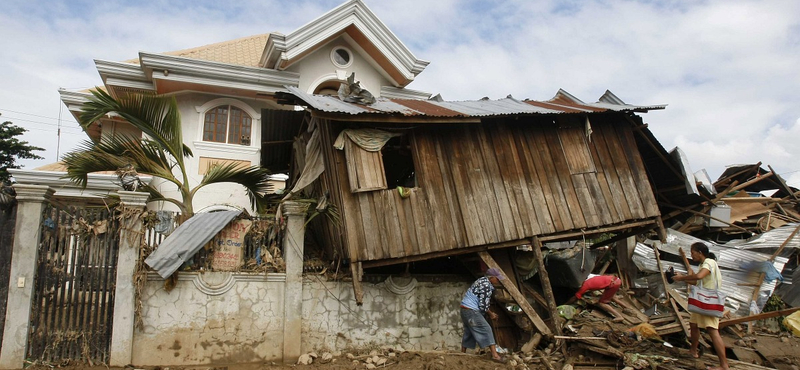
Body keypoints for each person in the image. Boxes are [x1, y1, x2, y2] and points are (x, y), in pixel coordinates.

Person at [673, 242, 729, 370]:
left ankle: (724, 365)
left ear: (700, 252)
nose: (692, 256)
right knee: (693, 324)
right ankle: (693, 351)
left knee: (712, 330)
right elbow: (697, 281)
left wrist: (682, 278)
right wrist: (679, 278)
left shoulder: (709, 262)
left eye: (693, 253)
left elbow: (698, 276)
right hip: (702, 303)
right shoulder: (703, 265)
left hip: (709, 303)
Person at [460, 268, 505, 362]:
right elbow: (483, 305)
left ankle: (462, 353)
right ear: (492, 277)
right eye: (497, 278)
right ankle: (495, 355)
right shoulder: (486, 286)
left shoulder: (481, 280)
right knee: (487, 328)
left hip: (464, 309)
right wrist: (491, 314)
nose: (498, 280)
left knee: (469, 331)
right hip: (471, 310)